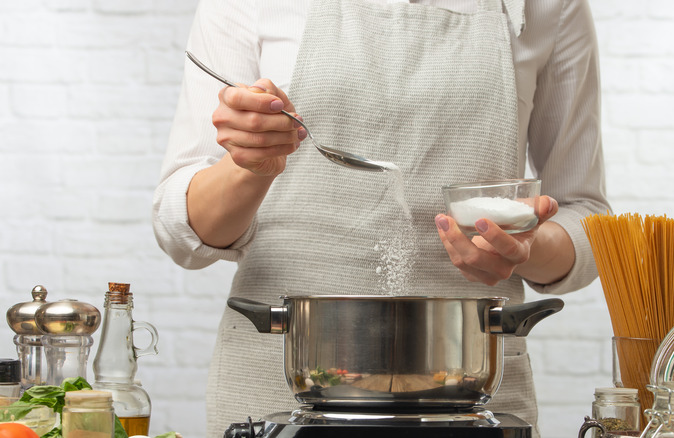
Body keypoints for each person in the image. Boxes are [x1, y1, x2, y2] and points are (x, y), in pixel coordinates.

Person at [153, 0, 610, 436]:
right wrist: (248, 166)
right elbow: (182, 233)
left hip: (468, 399)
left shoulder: (551, 6)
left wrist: (524, 250)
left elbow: (587, 217)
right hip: (277, 380)